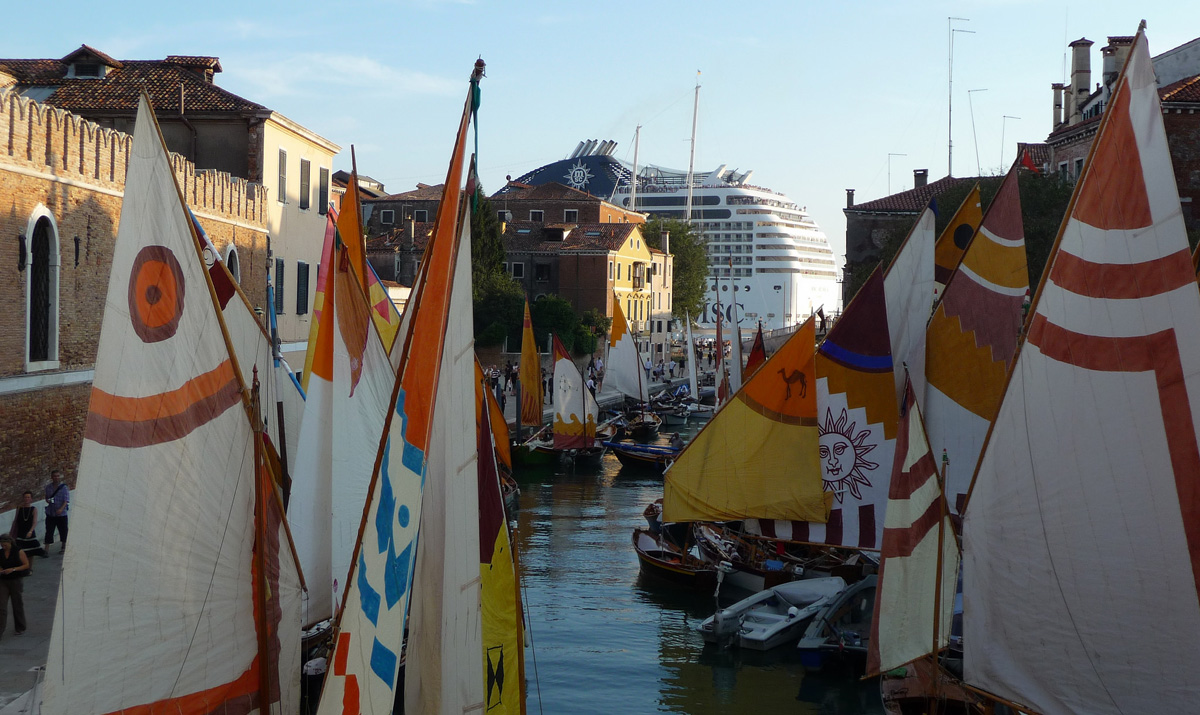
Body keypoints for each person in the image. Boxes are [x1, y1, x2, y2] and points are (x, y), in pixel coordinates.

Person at [0, 533, 31, 638]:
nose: (3, 547)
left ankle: (20, 627)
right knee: (1, 605)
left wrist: (13, 569)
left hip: (15, 580)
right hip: (3, 580)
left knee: (17, 603)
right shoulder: (1, 553)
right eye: (1, 545)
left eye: (5, 545)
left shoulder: (18, 551)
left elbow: (26, 565)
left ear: (9, 543)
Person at [9, 492, 44, 558]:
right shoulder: (19, 508)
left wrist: (30, 531)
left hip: (29, 532)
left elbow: (34, 521)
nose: (26, 499)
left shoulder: (33, 509)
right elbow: (15, 520)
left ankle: (29, 567)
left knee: (31, 552)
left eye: (28, 497)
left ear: (31, 499)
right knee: (20, 551)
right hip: (20, 532)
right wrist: (12, 532)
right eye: (25, 497)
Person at [44, 470, 68, 554]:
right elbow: (47, 498)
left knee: (63, 530)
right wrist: (48, 500)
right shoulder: (48, 487)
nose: (56, 477)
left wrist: (61, 509)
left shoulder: (64, 487)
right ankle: (46, 549)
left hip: (61, 514)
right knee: (49, 531)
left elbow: (66, 500)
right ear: (51, 477)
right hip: (51, 513)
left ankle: (64, 546)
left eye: (58, 476)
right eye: (54, 476)